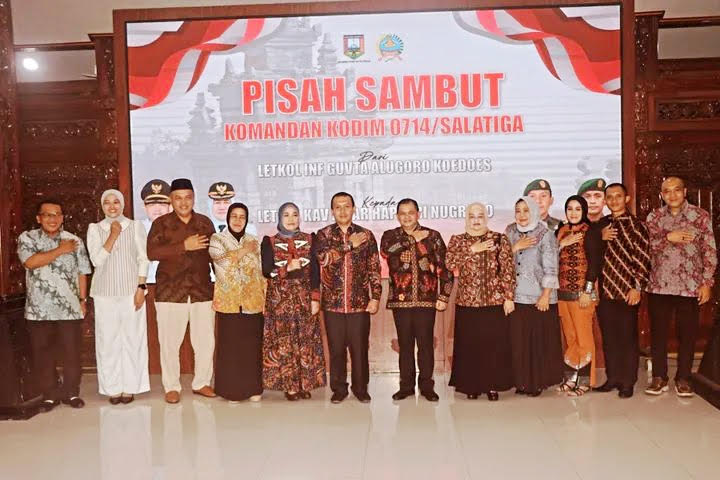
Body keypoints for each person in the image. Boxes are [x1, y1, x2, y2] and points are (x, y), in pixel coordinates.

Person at [645, 176, 717, 397]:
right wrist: (668, 237)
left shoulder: (700, 216)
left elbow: (709, 251)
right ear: (662, 195)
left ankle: (684, 378)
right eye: (667, 191)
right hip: (659, 285)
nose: (672, 195)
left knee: (688, 334)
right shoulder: (654, 217)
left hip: (690, 286)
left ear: (685, 192)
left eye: (677, 190)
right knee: (658, 334)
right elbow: (645, 247)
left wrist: (707, 282)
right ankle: (659, 377)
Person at [147, 178, 217, 404]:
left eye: (188, 197)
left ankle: (202, 382)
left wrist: (223, 285)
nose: (183, 202)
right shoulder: (161, 224)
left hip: (201, 291)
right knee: (169, 343)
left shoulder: (204, 223)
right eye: (178, 198)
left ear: (194, 198)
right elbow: (152, 252)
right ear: (171, 200)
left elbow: (215, 255)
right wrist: (183, 246)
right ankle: (171, 386)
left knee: (205, 341)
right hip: (170, 292)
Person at [17, 199, 92, 411]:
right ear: (38, 218)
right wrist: (60, 250)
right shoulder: (27, 238)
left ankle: (71, 393)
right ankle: (49, 395)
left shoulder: (74, 241)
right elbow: (30, 262)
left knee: (71, 352)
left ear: (62, 217)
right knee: (43, 353)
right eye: (48, 215)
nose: (53, 219)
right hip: (38, 309)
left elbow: (82, 272)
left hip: (69, 308)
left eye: (57, 214)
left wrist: (82, 300)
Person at [380, 198, 453, 402]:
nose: (407, 217)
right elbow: (386, 251)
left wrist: (444, 295)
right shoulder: (390, 236)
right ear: (397, 216)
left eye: (410, 212)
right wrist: (412, 239)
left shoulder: (433, 236)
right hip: (400, 300)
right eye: (402, 213)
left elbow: (445, 268)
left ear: (418, 214)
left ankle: (427, 386)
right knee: (405, 345)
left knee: (425, 345)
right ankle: (406, 386)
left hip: (426, 300)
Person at [316, 192, 382, 404]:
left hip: (359, 304)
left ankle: (361, 389)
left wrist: (375, 297)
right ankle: (339, 389)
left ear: (354, 209)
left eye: (347, 206)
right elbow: (324, 259)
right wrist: (349, 245)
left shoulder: (366, 235)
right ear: (332, 211)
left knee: (359, 350)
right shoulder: (324, 235)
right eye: (338, 207)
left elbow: (374, 268)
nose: (342, 211)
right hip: (332, 305)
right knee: (336, 350)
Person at [446, 202, 515, 401]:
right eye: (472, 216)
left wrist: (509, 297)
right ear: (467, 218)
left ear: (485, 218)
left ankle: (492, 385)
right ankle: (471, 385)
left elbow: (507, 269)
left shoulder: (499, 239)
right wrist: (472, 249)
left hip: (494, 302)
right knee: (470, 346)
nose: (476, 221)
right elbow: (449, 263)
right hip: (467, 303)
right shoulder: (458, 240)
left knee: (493, 345)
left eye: (480, 216)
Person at [87, 189, 150, 404]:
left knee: (133, 339)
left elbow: (143, 258)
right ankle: (112, 388)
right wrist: (113, 235)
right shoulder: (95, 229)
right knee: (108, 341)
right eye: (107, 202)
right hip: (104, 293)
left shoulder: (135, 226)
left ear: (122, 204)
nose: (112, 206)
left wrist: (141, 287)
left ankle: (131, 387)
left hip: (131, 292)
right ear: (102, 206)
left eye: (116, 202)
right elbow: (96, 260)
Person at [261, 202, 326, 401]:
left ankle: (304, 384)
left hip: (304, 298)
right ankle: (290, 387)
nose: (291, 219)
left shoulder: (310, 239)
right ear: (280, 218)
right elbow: (267, 271)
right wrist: (286, 269)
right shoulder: (269, 242)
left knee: (305, 341)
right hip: (280, 300)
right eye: (286, 215)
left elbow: (315, 272)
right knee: (285, 342)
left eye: (295, 214)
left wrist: (315, 298)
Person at [593, 183, 650, 398]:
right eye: (610, 197)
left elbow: (643, 258)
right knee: (609, 338)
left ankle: (627, 381)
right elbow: (592, 254)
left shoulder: (637, 226)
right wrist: (599, 238)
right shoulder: (601, 225)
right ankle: (613, 378)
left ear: (626, 199)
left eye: (618, 196)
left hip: (627, 291)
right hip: (605, 291)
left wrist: (637, 287)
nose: (614, 200)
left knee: (627, 338)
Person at [505, 197, 563, 396]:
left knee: (538, 342)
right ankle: (522, 382)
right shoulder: (510, 232)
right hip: (515, 297)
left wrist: (546, 295)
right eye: (518, 210)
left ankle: (537, 382)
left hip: (539, 297)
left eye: (526, 210)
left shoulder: (545, 234)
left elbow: (551, 267)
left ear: (534, 212)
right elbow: (500, 261)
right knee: (519, 342)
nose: (522, 215)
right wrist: (515, 248)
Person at [209, 203, 266, 402]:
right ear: (228, 218)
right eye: (234, 216)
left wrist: (264, 298)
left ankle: (253, 388)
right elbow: (223, 262)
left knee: (251, 347)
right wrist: (243, 250)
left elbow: (261, 272)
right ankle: (230, 390)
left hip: (253, 302)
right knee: (230, 348)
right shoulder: (217, 239)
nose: (238, 220)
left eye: (242, 217)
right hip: (229, 303)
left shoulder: (254, 241)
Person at [555, 196, 602, 395]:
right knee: (571, 337)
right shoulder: (561, 231)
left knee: (584, 338)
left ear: (584, 211)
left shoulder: (590, 232)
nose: (573, 213)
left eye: (577, 209)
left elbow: (595, 263)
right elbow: (551, 260)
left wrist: (588, 291)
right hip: (562, 294)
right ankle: (571, 377)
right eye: (569, 209)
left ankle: (585, 381)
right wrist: (561, 244)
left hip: (583, 294)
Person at [139, 179, 171, 284]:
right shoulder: (136, 230)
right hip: (144, 286)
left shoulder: (180, 228)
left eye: (162, 204)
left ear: (170, 206)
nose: (157, 209)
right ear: (144, 206)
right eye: (152, 204)